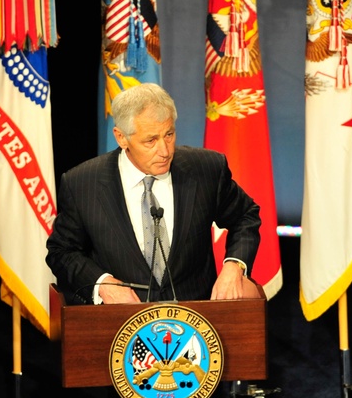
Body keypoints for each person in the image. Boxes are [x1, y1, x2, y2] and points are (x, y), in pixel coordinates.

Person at [45, 83, 261, 303]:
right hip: (121, 325)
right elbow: (61, 251)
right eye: (151, 140)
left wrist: (234, 265)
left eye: (169, 134)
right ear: (121, 138)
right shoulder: (83, 184)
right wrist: (103, 283)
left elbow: (245, 216)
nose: (165, 151)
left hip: (197, 321)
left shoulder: (205, 169)